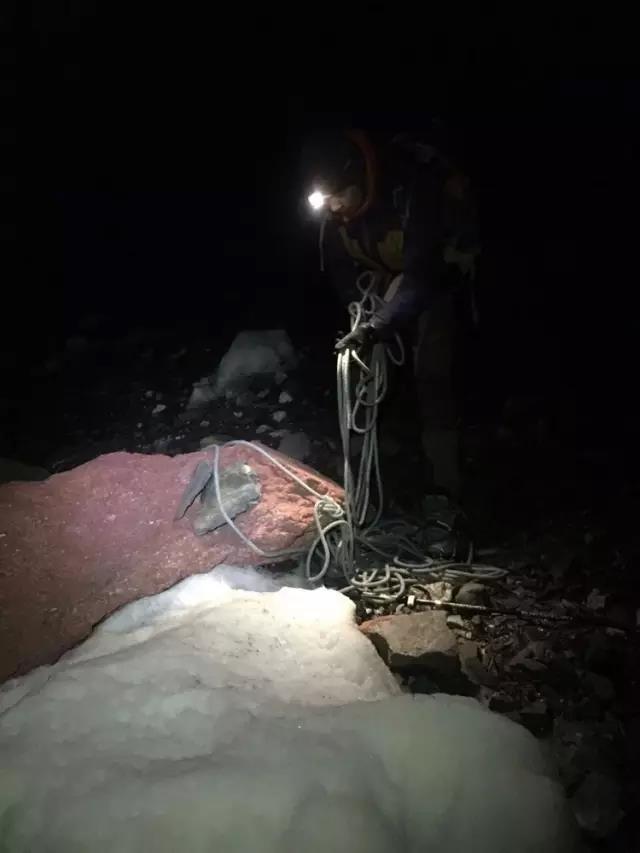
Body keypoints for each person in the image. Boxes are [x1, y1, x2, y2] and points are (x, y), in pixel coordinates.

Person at [302, 128, 480, 500]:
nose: (333, 208)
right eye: (326, 201)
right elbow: (340, 269)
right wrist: (361, 316)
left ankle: (445, 481)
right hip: (386, 273)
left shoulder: (412, 192)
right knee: (362, 362)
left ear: (358, 182)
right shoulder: (337, 212)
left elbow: (421, 278)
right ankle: (360, 462)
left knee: (431, 372)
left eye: (338, 198)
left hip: (433, 277)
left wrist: (375, 327)